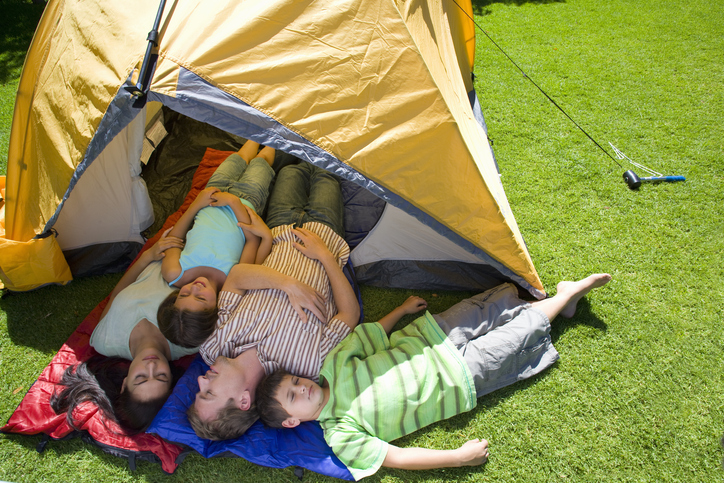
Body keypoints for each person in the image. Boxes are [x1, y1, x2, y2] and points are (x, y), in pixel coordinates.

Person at [256, 274, 612, 480]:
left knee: (491, 308)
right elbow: (396, 458)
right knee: (514, 340)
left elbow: (371, 336)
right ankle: (567, 293)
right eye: (293, 396)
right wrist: (457, 457)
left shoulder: (332, 366)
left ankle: (561, 305)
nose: (301, 386)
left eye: (293, 381)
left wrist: (400, 311)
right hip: (456, 379)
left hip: (431, 335)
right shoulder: (340, 434)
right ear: (292, 422)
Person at [187, 162, 360, 441]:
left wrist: (287, 284)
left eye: (199, 388)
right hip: (325, 234)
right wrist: (325, 256)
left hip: (279, 228)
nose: (200, 379)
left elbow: (237, 276)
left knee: (292, 169)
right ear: (244, 401)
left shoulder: (213, 344)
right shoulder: (307, 367)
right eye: (208, 392)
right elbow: (350, 315)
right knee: (326, 170)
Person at [51, 228, 197, 434]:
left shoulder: (105, 342)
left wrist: (147, 256)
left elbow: (116, 296)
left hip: (162, 250)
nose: (152, 366)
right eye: (161, 376)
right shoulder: (186, 340)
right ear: (171, 379)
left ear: (124, 383)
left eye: (141, 377)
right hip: (195, 250)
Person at [158, 140, 276, 348]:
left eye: (184, 294)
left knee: (239, 158)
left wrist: (197, 202)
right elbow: (251, 239)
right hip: (248, 199)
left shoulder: (175, 273)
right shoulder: (232, 278)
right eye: (200, 299)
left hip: (211, 195)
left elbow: (174, 239)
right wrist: (234, 202)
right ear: (214, 308)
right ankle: (274, 134)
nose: (194, 288)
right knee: (261, 161)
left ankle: (256, 131)